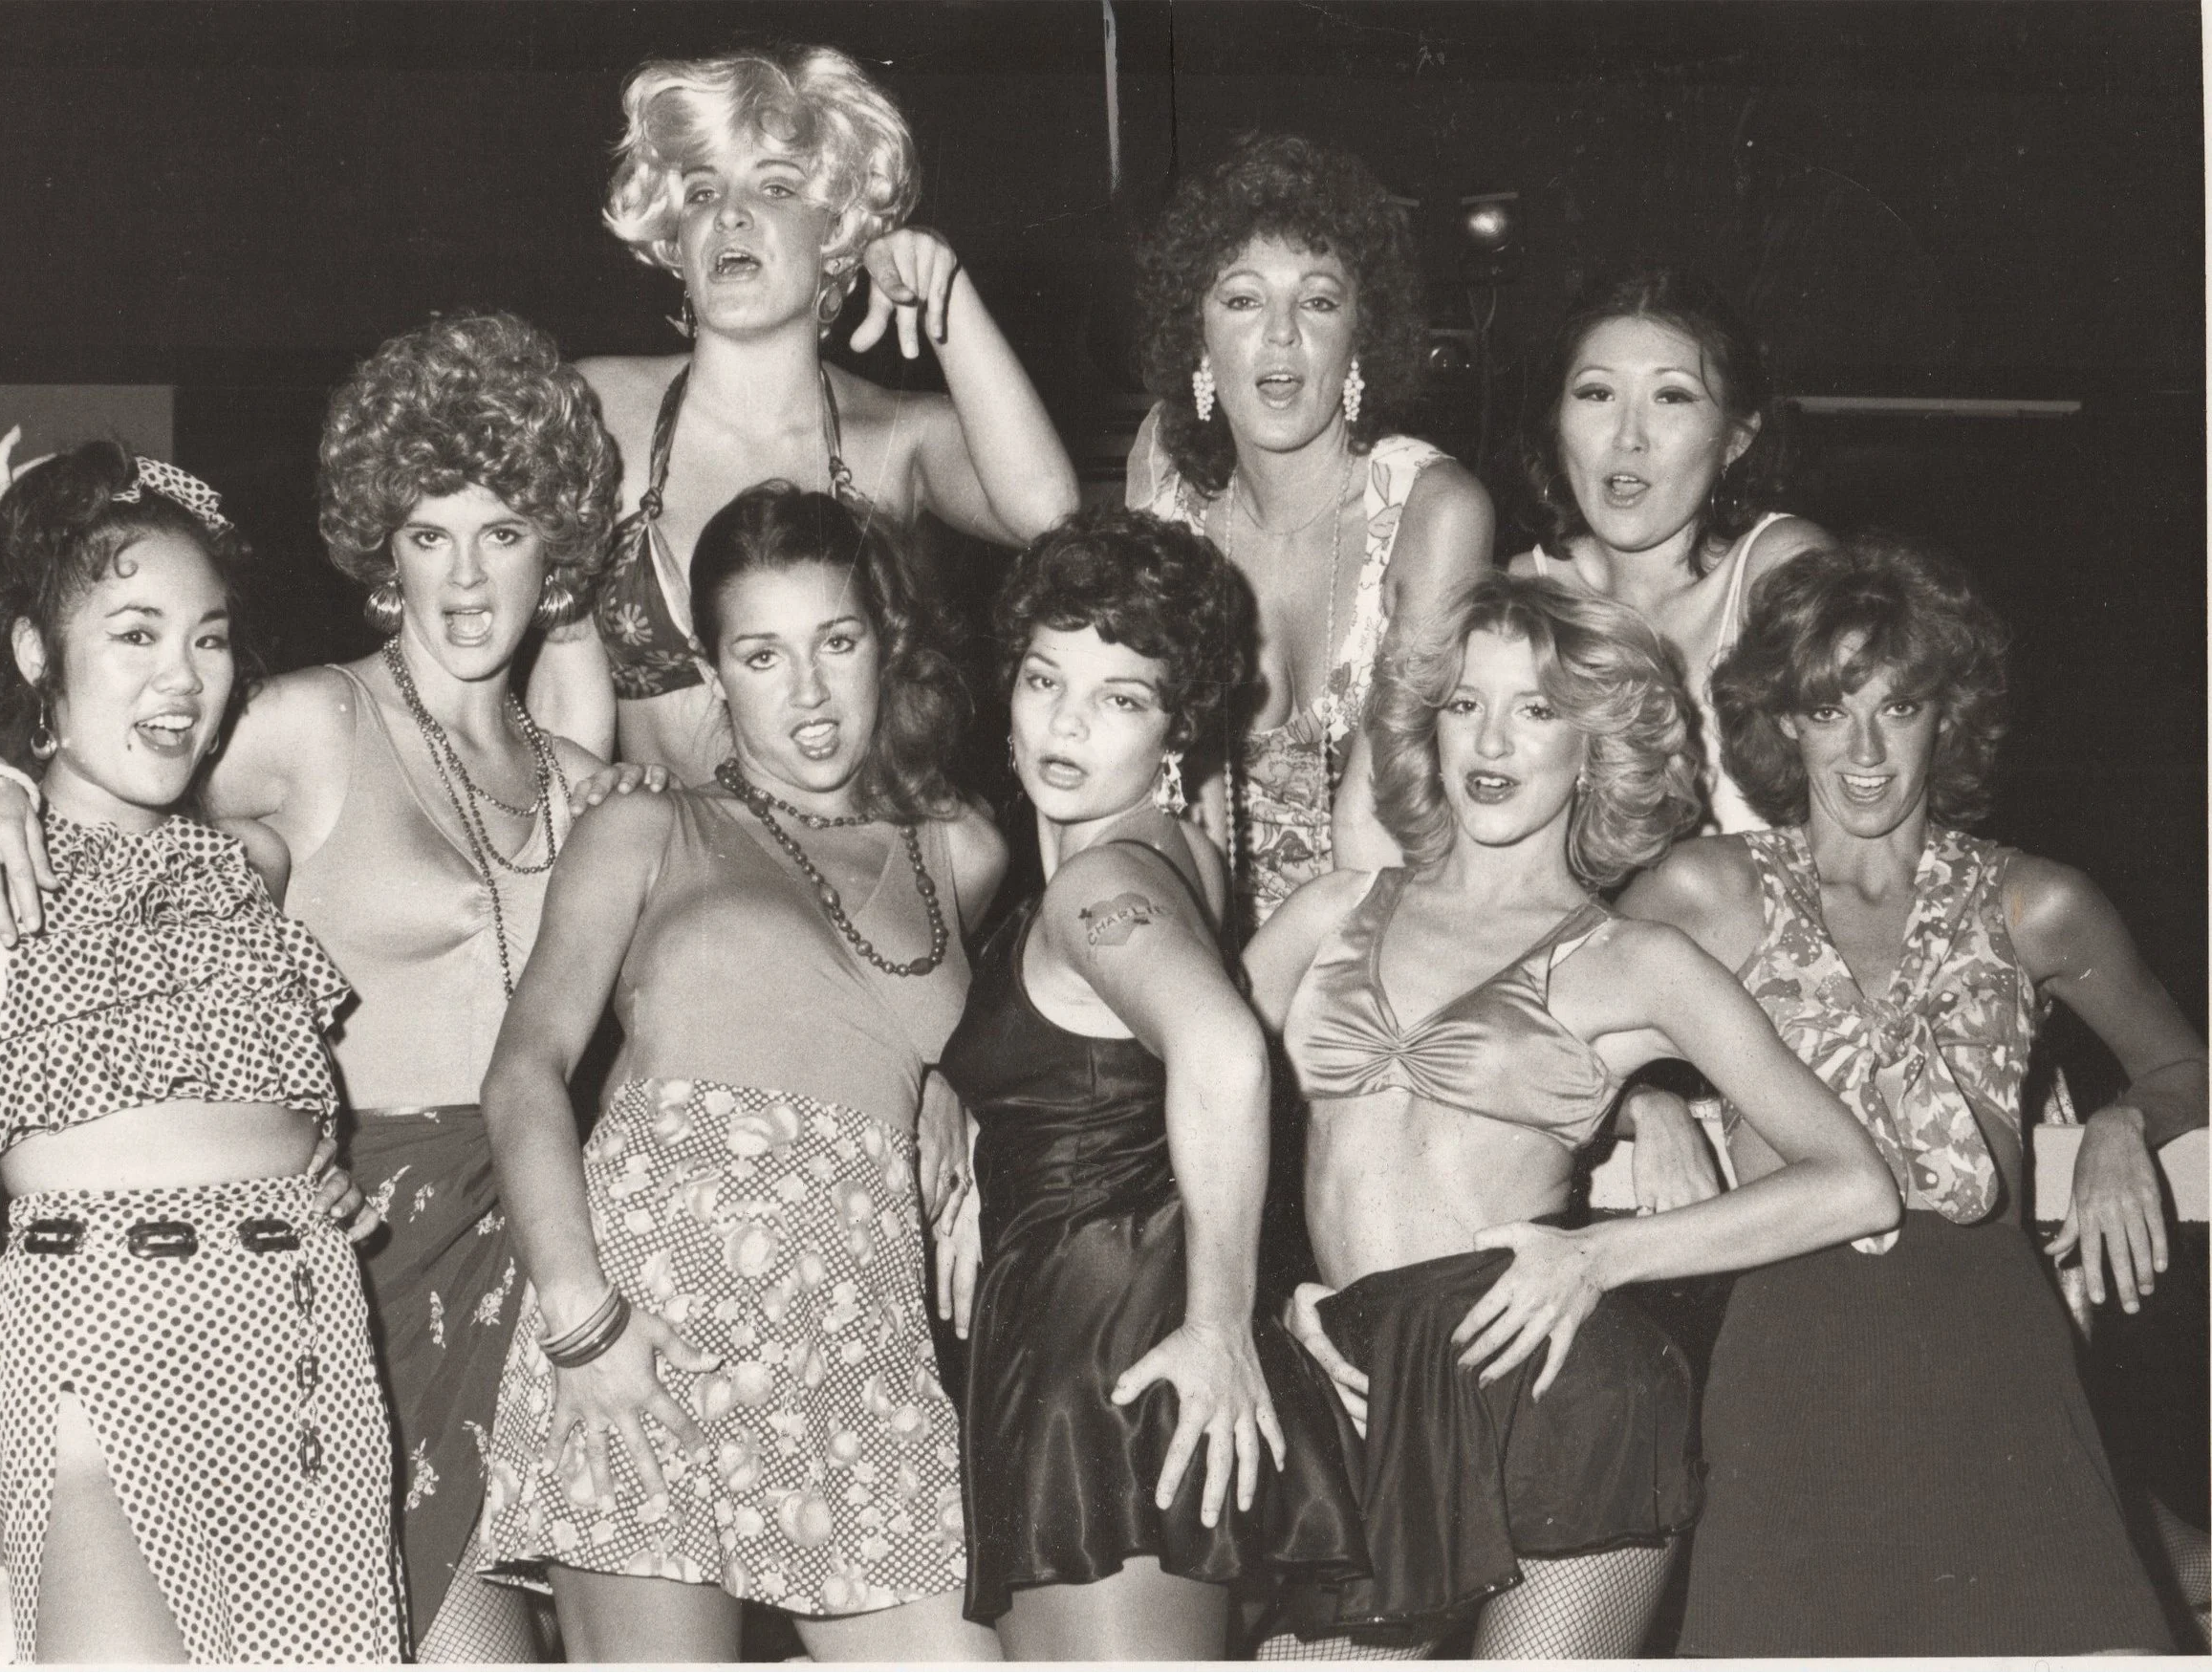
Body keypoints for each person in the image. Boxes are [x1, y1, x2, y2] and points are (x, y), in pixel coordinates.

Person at [0, 314, 622, 1660]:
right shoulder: (313, 721)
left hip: (538, 1261)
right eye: (428, 534)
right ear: (381, 552)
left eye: (502, 530)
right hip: (364, 1265)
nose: (468, 577)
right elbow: (127, 787)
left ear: (558, 548)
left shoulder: (579, 770)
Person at [1245, 571, 1898, 1658]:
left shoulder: (1635, 961)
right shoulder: (1331, 910)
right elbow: (1168, 1105)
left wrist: (1600, 1259)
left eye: (1537, 710)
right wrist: (1271, 1303)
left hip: (1551, 1390)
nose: (1491, 739)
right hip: (1365, 1383)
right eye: (1465, 702)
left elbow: (1851, 1180)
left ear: (1595, 745)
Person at [0, 435, 401, 1661]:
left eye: (206, 636)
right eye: (134, 632)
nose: (183, 675)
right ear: (41, 654)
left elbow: (288, 1104)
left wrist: (317, 1167)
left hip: (301, 1330)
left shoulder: (254, 862)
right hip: (101, 1327)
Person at [1617, 534, 2200, 1655]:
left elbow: (2188, 1065)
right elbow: (1546, 1035)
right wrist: (1643, 1104)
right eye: (1830, 710)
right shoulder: (1708, 890)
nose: (1866, 749)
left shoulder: (2040, 904)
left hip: (1998, 1367)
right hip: (1791, 1362)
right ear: (1783, 720)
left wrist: (2129, 1121)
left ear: (1950, 715)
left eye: (1899, 706)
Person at [476, 484, 1008, 1661]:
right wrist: (582, 1321)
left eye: (838, 642)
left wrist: (950, 1081)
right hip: (648, 1330)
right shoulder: (649, 826)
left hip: (860, 1338)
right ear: (714, 674)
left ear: (886, 640)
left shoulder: (959, 851)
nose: (808, 693)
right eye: (761, 655)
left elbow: (944, 1023)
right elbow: (525, 1071)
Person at [935, 508, 1356, 1659]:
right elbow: (1116, 1077)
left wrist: (1218, 1324)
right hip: (1107, 1312)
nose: (1065, 725)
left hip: (1103, 1347)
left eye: (1120, 698)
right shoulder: (1181, 857)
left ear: (1175, 728)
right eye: (1043, 679)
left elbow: (1223, 1053)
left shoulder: (1095, 885)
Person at [526, 43, 1076, 773]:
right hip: (672, 870)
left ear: (838, 233)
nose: (730, 215)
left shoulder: (897, 435)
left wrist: (945, 288)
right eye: (700, 193)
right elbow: (554, 699)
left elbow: (1050, 515)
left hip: (857, 865)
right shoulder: (593, 409)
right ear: (677, 244)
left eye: (776, 188)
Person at [1129, 131, 1493, 923]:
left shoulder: (1435, 512)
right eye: (1242, 298)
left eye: (1319, 300)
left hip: (1389, 935)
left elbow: (1380, 836)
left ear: (1361, 335)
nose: (1282, 333)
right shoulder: (1164, 519)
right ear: (1197, 335)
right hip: (1202, 945)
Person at [1508, 264, 1828, 835]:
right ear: (1557, 420)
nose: (1628, 435)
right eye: (1597, 393)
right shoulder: (1523, 590)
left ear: (1735, 438)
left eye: (1671, 397)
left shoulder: (1779, 571)